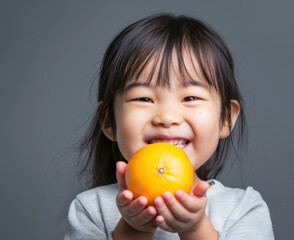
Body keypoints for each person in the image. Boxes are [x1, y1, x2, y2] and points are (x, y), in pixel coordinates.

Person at [65, 13, 274, 240]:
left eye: (190, 97)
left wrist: (195, 230)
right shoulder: (90, 210)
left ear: (225, 119)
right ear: (108, 122)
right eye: (144, 99)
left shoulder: (243, 209)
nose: (167, 117)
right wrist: (134, 230)